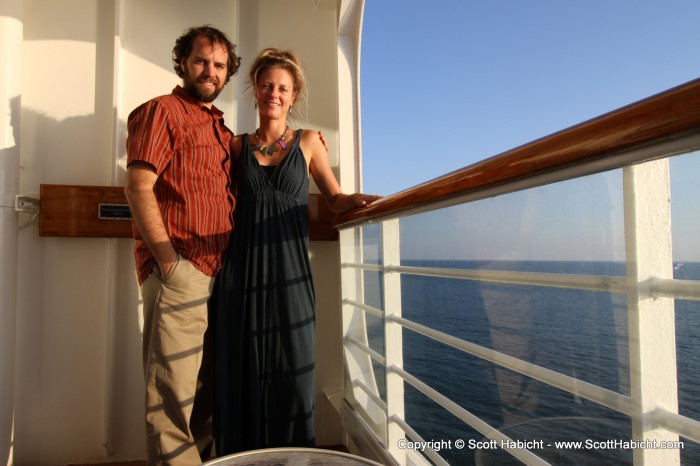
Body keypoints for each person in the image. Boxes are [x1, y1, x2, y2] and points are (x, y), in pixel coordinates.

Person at [210, 48, 380, 455]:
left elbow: (334, 199)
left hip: (290, 276)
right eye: (267, 85)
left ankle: (291, 460)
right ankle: (243, 460)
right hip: (241, 273)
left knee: (293, 373)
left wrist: (357, 201)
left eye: (282, 88)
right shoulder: (236, 147)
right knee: (241, 371)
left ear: (293, 95)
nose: (274, 93)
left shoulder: (308, 142)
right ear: (255, 90)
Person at [124, 25, 241, 465]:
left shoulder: (218, 128)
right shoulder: (162, 112)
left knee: (204, 393)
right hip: (181, 272)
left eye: (218, 65)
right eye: (200, 61)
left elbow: (266, 151)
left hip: (217, 274)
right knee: (170, 399)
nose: (209, 71)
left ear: (228, 73)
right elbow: (139, 186)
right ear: (183, 63)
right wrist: (169, 263)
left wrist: (299, 139)